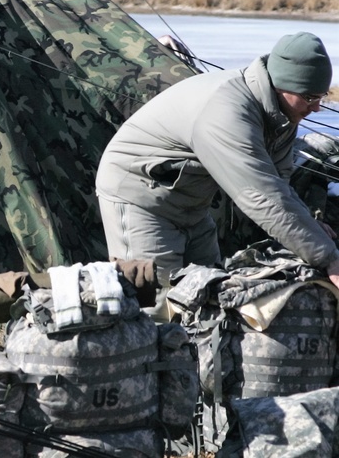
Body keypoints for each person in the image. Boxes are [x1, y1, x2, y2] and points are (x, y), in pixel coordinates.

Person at [96, 31, 339, 317]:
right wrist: (329, 258)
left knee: (211, 298)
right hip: (139, 197)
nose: (317, 108)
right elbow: (261, 196)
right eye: (310, 97)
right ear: (283, 85)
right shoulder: (228, 110)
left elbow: (280, 182)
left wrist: (310, 222)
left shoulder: (283, 114)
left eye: (322, 96)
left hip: (192, 204)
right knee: (157, 311)